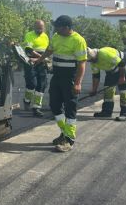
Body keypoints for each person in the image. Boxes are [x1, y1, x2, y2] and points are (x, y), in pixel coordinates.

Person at [35, 15, 87, 152]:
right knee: (54, 105)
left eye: (57, 26)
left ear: (66, 27)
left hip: (70, 77)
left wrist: (78, 83)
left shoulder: (78, 40)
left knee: (70, 107)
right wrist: (40, 59)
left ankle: (69, 139)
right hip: (57, 76)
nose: (55, 29)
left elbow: (82, 63)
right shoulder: (57, 36)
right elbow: (50, 50)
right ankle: (64, 133)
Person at [87, 47, 126, 121]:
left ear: (95, 55)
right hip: (111, 70)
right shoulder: (93, 62)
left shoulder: (104, 54)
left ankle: (125, 114)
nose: (92, 61)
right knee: (108, 90)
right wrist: (94, 90)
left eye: (93, 60)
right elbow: (96, 76)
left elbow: (122, 64)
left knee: (125, 91)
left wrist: (122, 77)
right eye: (90, 61)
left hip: (125, 66)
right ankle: (106, 112)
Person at [23, 20, 49, 116]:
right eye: (38, 28)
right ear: (34, 27)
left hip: (42, 63)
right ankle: (27, 100)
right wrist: (41, 57)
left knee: (41, 85)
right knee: (32, 84)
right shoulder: (29, 35)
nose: (39, 30)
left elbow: (48, 50)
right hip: (31, 62)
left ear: (44, 27)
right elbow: (29, 50)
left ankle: (36, 107)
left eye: (41, 28)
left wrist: (44, 59)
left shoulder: (45, 36)